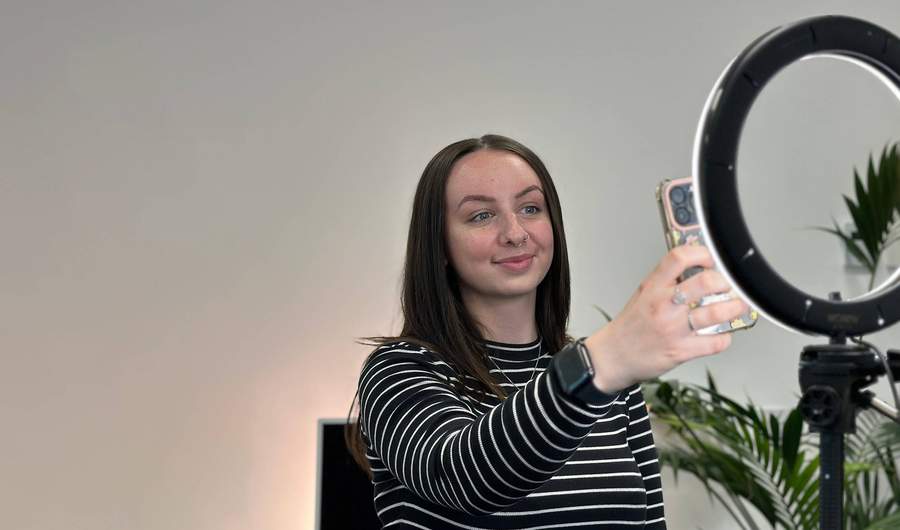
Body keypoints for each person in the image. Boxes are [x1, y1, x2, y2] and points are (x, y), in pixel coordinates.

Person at [346, 134, 750, 529]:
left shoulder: (609, 382)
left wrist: (601, 368)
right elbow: (465, 478)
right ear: (439, 247)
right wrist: (601, 363)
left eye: (530, 208)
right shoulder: (398, 371)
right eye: (481, 215)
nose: (515, 233)